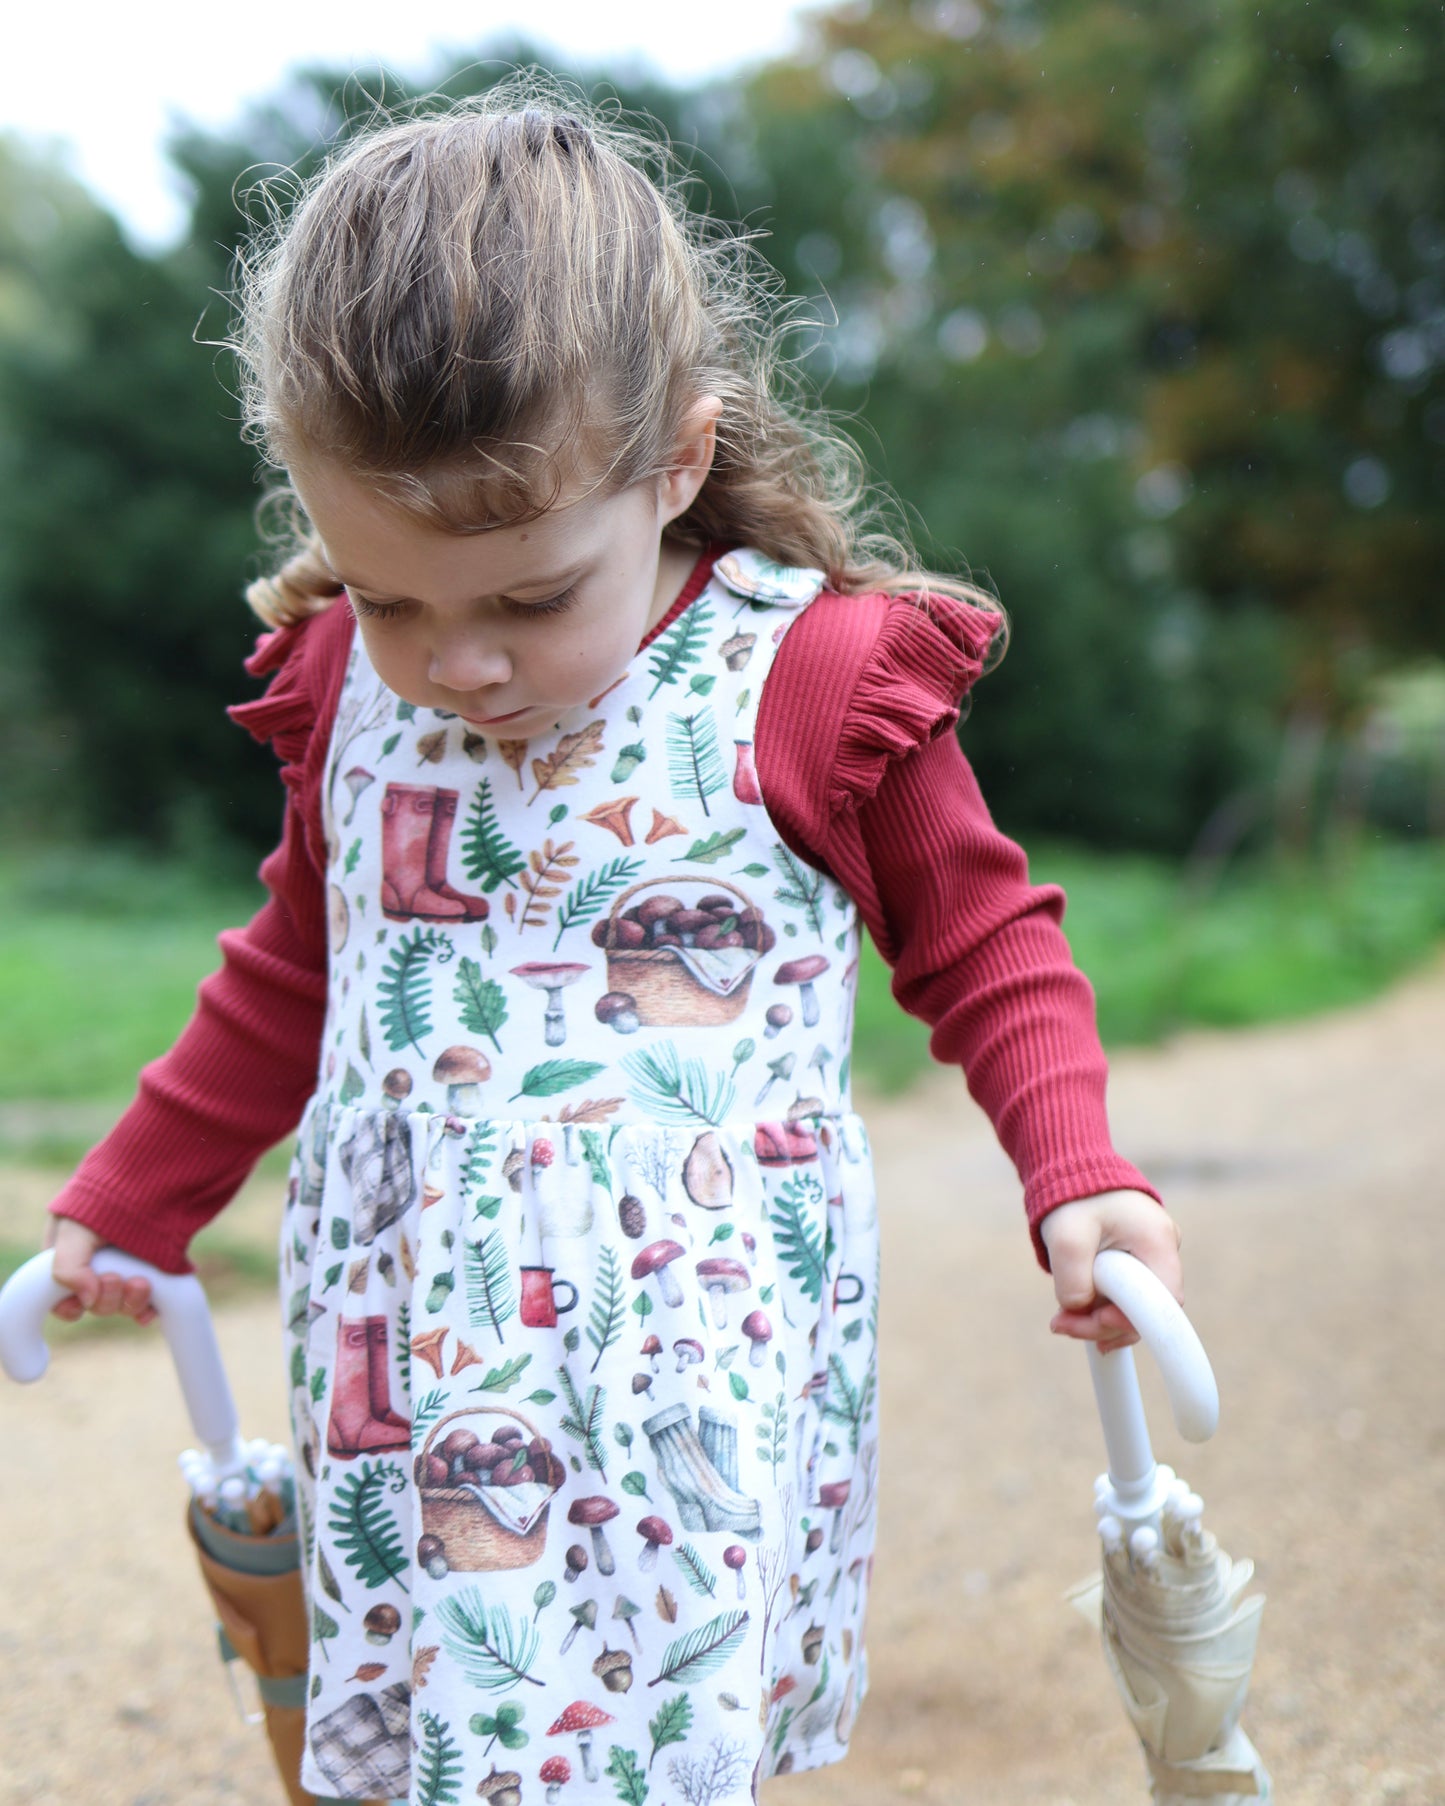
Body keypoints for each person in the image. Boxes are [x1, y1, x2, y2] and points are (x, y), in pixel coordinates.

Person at [44, 87, 1181, 1804]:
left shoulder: (802, 680)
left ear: (675, 466)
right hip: (404, 1341)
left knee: (625, 1744)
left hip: (680, 1368)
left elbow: (983, 938)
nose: (457, 665)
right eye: (393, 594)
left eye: (523, 597)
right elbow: (298, 962)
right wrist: (134, 1195)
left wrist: (1075, 1163)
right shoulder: (348, 691)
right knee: (452, 1730)